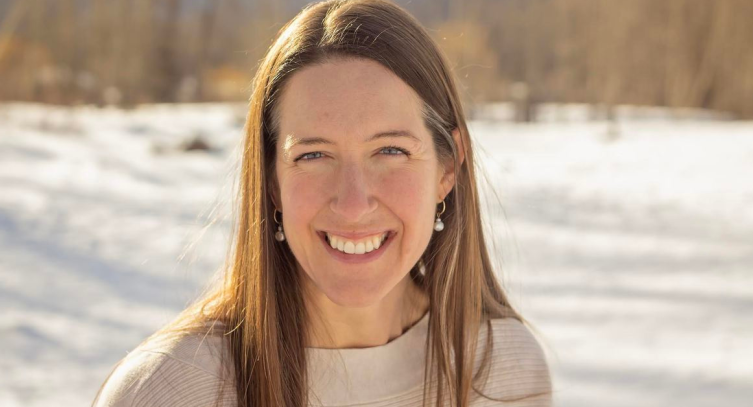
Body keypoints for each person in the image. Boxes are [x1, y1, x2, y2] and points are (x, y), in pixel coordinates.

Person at [92, 0, 552, 406]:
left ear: (447, 169)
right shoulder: (170, 391)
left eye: (390, 151)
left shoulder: (505, 373)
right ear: (271, 179)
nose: (353, 204)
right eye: (314, 155)